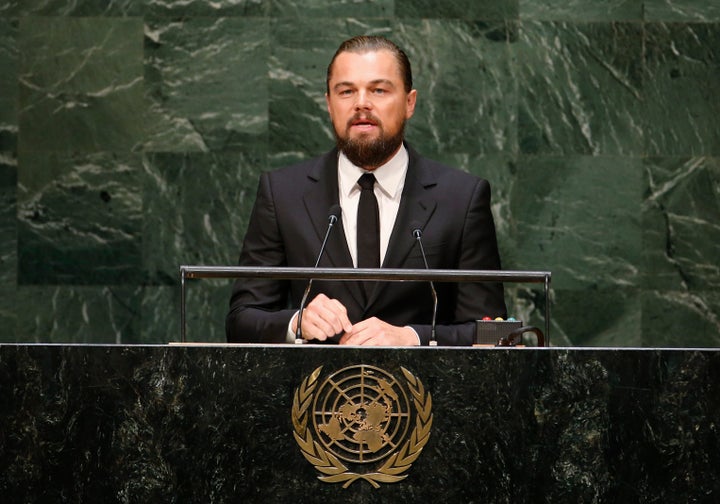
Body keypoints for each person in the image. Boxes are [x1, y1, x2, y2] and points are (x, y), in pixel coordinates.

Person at [225, 35, 506, 346]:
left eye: (379, 90)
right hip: (314, 391)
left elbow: (491, 332)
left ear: (409, 103)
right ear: (329, 104)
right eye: (346, 91)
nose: (361, 103)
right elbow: (242, 318)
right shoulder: (282, 194)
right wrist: (297, 322)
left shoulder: (462, 198)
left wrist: (412, 337)